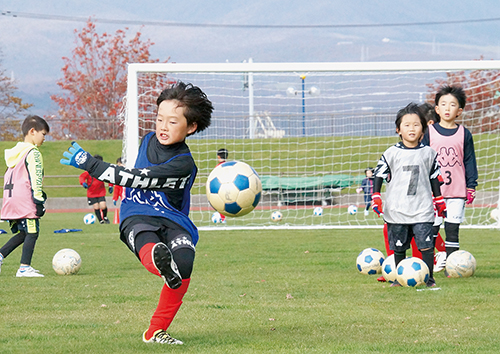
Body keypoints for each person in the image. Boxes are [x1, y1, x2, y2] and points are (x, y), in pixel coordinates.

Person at [60, 81, 213, 344]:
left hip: (173, 219)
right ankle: (159, 263)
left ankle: (156, 331)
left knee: (185, 262)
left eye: (173, 122)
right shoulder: (148, 139)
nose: (163, 127)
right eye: (159, 119)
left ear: (191, 127)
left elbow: (136, 178)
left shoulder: (183, 164)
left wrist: (91, 164)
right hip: (137, 214)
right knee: (149, 245)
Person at [372, 103, 446, 287]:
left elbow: (434, 177)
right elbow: (378, 174)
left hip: (422, 208)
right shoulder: (391, 153)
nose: (411, 128)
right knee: (399, 247)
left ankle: (429, 278)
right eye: (406, 125)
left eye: (416, 124)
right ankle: (399, 279)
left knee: (426, 245)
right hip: (397, 210)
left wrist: (439, 199)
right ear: (398, 130)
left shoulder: (429, 153)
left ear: (423, 129)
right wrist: (376, 196)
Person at [421, 85, 478, 273]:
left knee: (452, 230)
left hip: (456, 192)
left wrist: (471, 186)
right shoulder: (429, 133)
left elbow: (469, 161)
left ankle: (452, 269)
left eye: (452, 105)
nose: (447, 108)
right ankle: (426, 268)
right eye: (443, 104)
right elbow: (421, 159)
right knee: (432, 230)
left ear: (459, 111)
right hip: (433, 193)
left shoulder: (464, 134)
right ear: (436, 109)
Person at [0, 115, 50, 277]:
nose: (44, 138)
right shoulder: (33, 153)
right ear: (32, 131)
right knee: (33, 231)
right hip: (25, 200)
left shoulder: (15, 153)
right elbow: (35, 179)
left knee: (24, 232)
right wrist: (39, 201)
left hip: (11, 199)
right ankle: (24, 267)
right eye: (43, 134)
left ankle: (0, 255)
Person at [79, 154, 111, 224]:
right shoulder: (89, 171)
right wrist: (83, 183)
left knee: (103, 205)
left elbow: (109, 177)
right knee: (96, 207)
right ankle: (100, 220)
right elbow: (82, 177)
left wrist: (110, 186)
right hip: (91, 193)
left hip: (101, 191)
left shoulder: (103, 171)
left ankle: (105, 217)